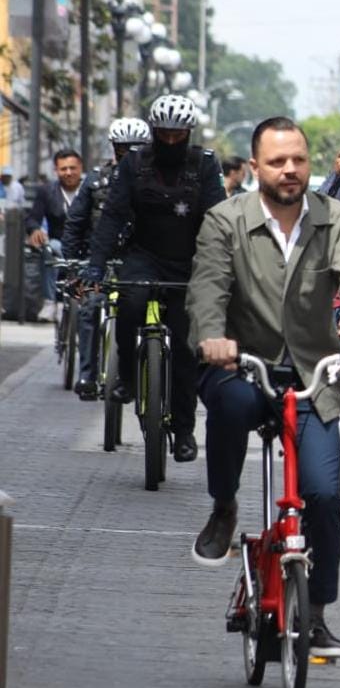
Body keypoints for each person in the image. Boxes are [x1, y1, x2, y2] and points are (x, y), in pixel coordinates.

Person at [188, 116, 340, 658]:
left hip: (312, 376)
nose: (290, 170)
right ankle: (224, 504)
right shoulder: (224, 221)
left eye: (298, 159)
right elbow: (207, 285)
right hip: (241, 366)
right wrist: (212, 336)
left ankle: (316, 612)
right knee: (230, 403)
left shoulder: (337, 218)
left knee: (324, 496)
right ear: (256, 168)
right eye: (277, 161)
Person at [87, 94, 227, 463]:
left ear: (188, 133)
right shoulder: (134, 163)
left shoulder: (204, 165)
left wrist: (223, 271)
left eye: (176, 135)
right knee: (130, 304)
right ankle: (129, 379)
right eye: (163, 134)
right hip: (144, 256)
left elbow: (219, 221)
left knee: (184, 347)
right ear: (153, 131)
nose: (169, 142)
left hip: (190, 262)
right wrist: (96, 267)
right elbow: (113, 217)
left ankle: (184, 431)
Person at [62, 118, 152, 398]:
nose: (130, 153)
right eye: (124, 148)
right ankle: (88, 375)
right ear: (115, 148)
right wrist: (72, 261)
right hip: (98, 262)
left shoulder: (158, 181)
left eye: (136, 148)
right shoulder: (95, 180)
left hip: (141, 263)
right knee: (89, 306)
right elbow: (75, 223)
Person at [26, 149, 84, 321]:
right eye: (63, 169)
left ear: (80, 168)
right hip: (59, 243)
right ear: (56, 170)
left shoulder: (91, 188)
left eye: (72, 168)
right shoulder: (47, 191)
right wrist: (35, 230)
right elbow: (32, 218)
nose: (68, 173)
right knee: (50, 249)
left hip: (86, 244)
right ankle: (51, 301)